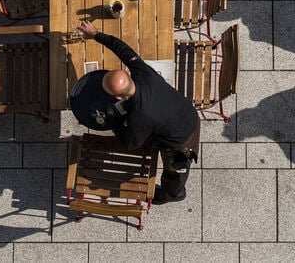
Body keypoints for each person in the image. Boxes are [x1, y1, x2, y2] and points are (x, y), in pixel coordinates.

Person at [69, 20, 199, 204]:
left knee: (175, 169)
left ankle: (174, 194)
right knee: (161, 135)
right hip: (186, 110)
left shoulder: (141, 117)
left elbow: (131, 143)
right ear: (128, 74)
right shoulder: (144, 73)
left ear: (119, 98)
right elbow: (123, 49)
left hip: (180, 140)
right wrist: (96, 34)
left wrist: (114, 124)